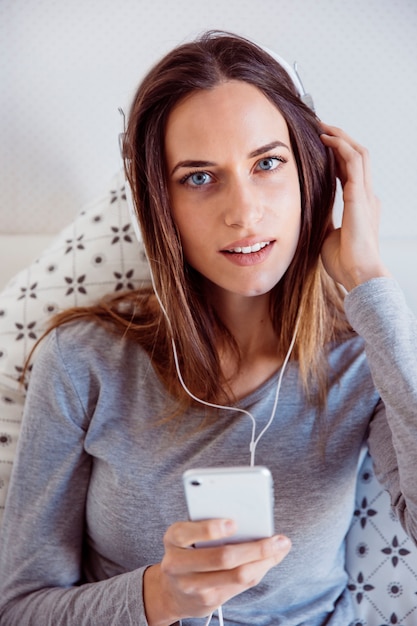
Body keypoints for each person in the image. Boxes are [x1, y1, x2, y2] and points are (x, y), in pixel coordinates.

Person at [0, 30, 416, 626]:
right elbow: (19, 609)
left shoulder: (365, 356)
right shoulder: (83, 360)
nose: (243, 212)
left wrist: (371, 281)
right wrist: (159, 597)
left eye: (268, 163)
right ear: (158, 203)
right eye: (199, 176)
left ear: (313, 176)